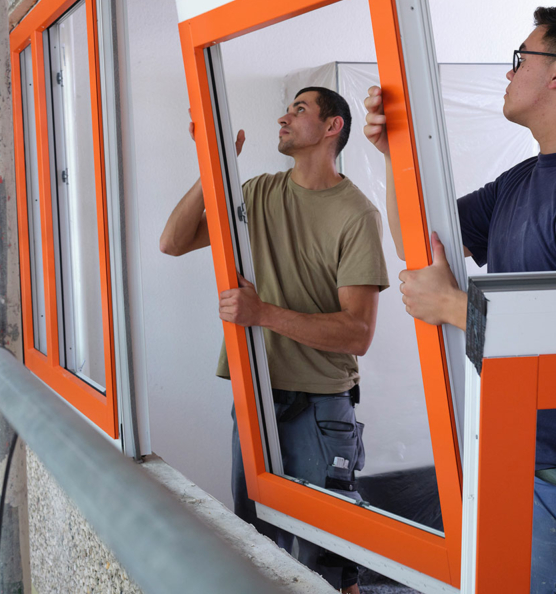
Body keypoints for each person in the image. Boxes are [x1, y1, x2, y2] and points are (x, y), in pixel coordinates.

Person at [363, 7, 556, 594]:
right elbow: (422, 243)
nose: (508, 75)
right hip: (510, 452)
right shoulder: (519, 181)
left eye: (521, 59)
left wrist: (454, 307)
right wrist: (395, 154)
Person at [160, 86, 389, 593]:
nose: (283, 117)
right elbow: (172, 242)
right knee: (256, 548)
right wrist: (214, 165)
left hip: (321, 410)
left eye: (299, 109)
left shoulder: (357, 215)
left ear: (332, 128)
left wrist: (262, 312)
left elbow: (358, 332)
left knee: (328, 564)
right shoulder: (259, 193)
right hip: (256, 396)